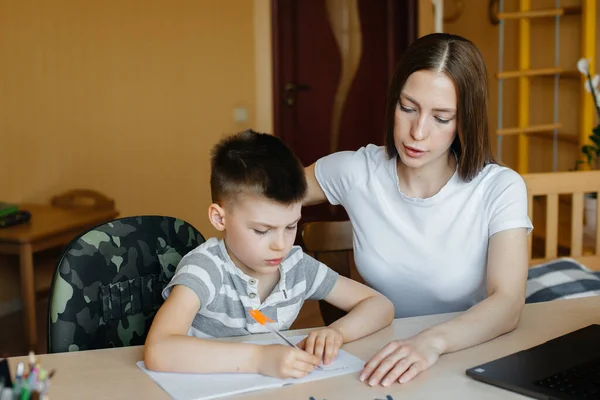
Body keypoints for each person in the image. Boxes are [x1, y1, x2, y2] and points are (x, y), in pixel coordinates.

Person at [303, 32, 533, 387]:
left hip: (463, 354)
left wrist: (430, 342)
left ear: (464, 122)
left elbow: (507, 303)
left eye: (441, 118)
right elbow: (265, 197)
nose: (417, 132)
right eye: (408, 108)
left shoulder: (499, 188)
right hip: (380, 356)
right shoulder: (358, 171)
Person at [144, 130, 395, 379]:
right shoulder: (206, 268)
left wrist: (338, 332)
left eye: (291, 226)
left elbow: (380, 305)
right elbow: (159, 350)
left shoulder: (297, 267)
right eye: (262, 230)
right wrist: (258, 359)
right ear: (220, 218)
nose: (280, 245)